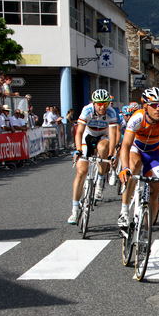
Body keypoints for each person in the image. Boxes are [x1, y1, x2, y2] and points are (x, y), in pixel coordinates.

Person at [117, 87, 159, 227]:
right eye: (154, 105)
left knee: (156, 189)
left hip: (153, 153)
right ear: (145, 106)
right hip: (136, 149)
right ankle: (124, 212)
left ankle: (147, 228)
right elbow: (126, 145)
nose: (158, 109)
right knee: (133, 168)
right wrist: (124, 168)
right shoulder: (137, 118)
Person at [67, 89, 118, 224]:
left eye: (105, 103)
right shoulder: (87, 110)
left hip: (103, 136)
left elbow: (113, 135)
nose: (102, 106)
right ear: (94, 103)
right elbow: (79, 132)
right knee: (81, 171)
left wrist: (112, 153)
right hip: (87, 136)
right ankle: (75, 209)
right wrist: (78, 150)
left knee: (102, 148)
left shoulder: (111, 112)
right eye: (99, 104)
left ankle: (100, 179)